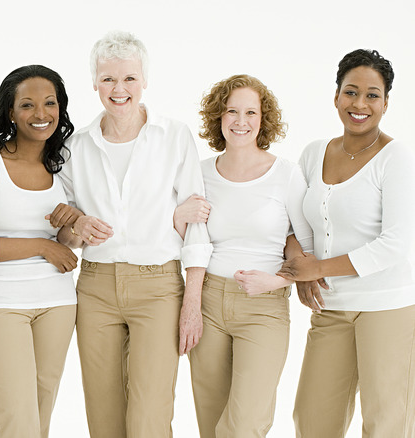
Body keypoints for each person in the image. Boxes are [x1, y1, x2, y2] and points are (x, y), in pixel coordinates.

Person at [57, 31, 212, 437]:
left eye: (129, 78)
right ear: (94, 83)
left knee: (149, 416)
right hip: (94, 288)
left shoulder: (174, 136)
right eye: (108, 79)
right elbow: (66, 231)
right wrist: (78, 225)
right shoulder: (76, 146)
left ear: (144, 80)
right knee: (104, 417)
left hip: (159, 286)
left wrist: (191, 303)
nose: (119, 89)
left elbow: (197, 225)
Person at [277, 49, 415, 438]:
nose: (360, 104)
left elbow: (396, 244)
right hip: (332, 307)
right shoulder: (313, 153)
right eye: (351, 92)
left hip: (386, 308)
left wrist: (317, 269)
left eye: (372, 95)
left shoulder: (397, 158)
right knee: (312, 420)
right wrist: (298, 265)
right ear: (336, 95)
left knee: (386, 425)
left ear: (386, 103)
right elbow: (292, 219)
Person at [175, 74, 313, 438]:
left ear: (263, 119)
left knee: (245, 424)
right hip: (207, 301)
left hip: (263, 308)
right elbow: (186, 237)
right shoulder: (200, 173)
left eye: (251, 112)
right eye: (232, 111)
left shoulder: (285, 174)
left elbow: (305, 241)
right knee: (211, 421)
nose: (241, 121)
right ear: (218, 118)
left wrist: (280, 279)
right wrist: (177, 216)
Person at [0, 65, 78, 438]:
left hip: (57, 302)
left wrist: (70, 227)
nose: (41, 114)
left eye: (50, 103)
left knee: (39, 420)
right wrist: (42, 246)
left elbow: (69, 242)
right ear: (9, 111)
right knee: (15, 421)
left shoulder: (64, 164)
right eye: (27, 104)